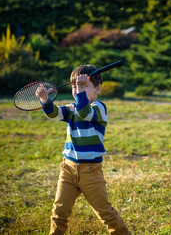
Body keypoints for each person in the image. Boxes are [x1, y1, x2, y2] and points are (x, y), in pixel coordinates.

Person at [36, 64, 130, 235]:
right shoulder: (72, 109)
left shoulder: (99, 108)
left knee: (105, 213)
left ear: (98, 88)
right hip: (68, 169)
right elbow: (54, 113)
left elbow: (85, 112)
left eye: (84, 85)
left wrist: (79, 91)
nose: (77, 89)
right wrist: (44, 100)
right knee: (59, 212)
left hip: (91, 172)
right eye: (74, 86)